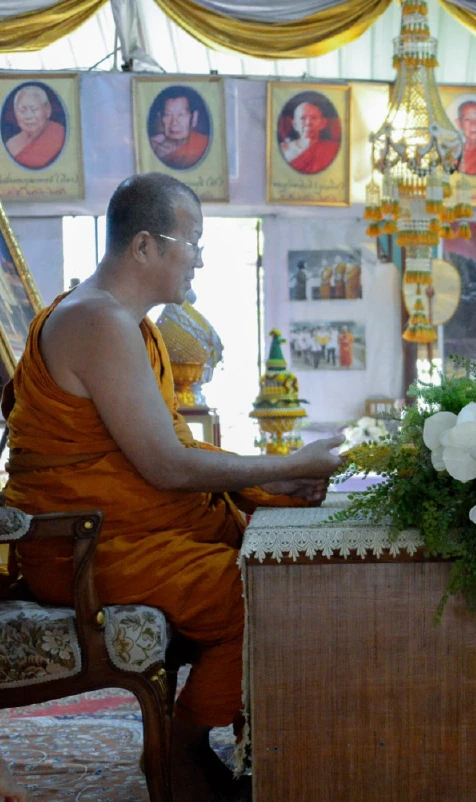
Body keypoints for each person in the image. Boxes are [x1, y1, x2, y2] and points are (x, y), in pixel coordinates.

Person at [3, 173, 344, 802]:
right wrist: (280, 464)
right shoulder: (97, 321)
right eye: (193, 242)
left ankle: (265, 744)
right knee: (255, 592)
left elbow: (169, 452)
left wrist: (275, 479)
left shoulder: (129, 324)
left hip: (128, 534)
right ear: (144, 247)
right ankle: (182, 752)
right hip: (86, 550)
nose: (201, 260)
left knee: (268, 556)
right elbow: (165, 467)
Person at [4, 84, 66, 170]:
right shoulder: (11, 144)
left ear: (47, 110)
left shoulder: (59, 135)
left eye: (34, 109)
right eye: (22, 110)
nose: (28, 116)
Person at [150, 89, 209, 170]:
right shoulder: (152, 147)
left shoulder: (203, 144)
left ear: (194, 118)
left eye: (181, 114)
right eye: (168, 114)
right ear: (161, 118)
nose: (174, 123)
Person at [281, 101, 340, 175]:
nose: (308, 122)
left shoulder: (333, 148)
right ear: (295, 124)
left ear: (322, 123)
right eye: (302, 118)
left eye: (314, 118)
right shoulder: (284, 149)